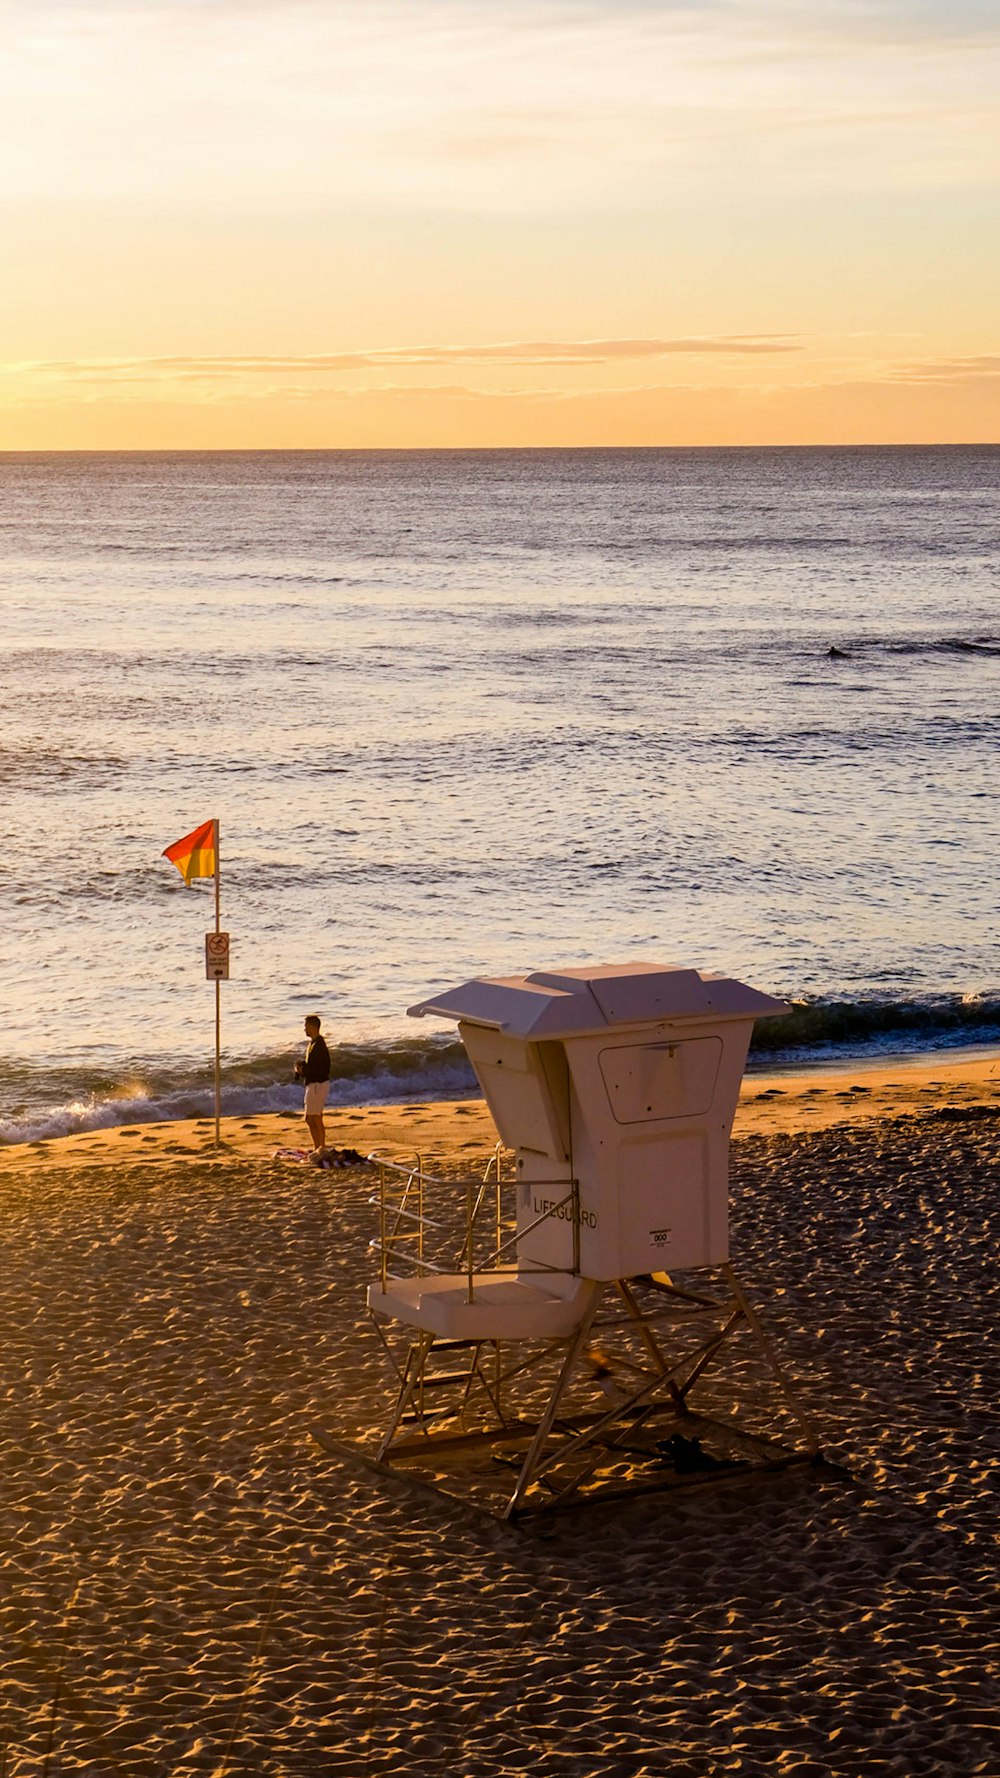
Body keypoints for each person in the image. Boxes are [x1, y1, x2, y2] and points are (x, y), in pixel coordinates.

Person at [295, 1013, 331, 1154]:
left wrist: (303, 1069)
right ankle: (319, 1147)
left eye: (306, 1026)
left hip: (318, 1084)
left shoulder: (319, 1046)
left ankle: (320, 1147)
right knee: (315, 1117)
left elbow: (319, 1069)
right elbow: (315, 1067)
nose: (304, 1029)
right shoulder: (314, 1044)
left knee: (312, 1118)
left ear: (313, 1027)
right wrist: (302, 1069)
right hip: (317, 1084)